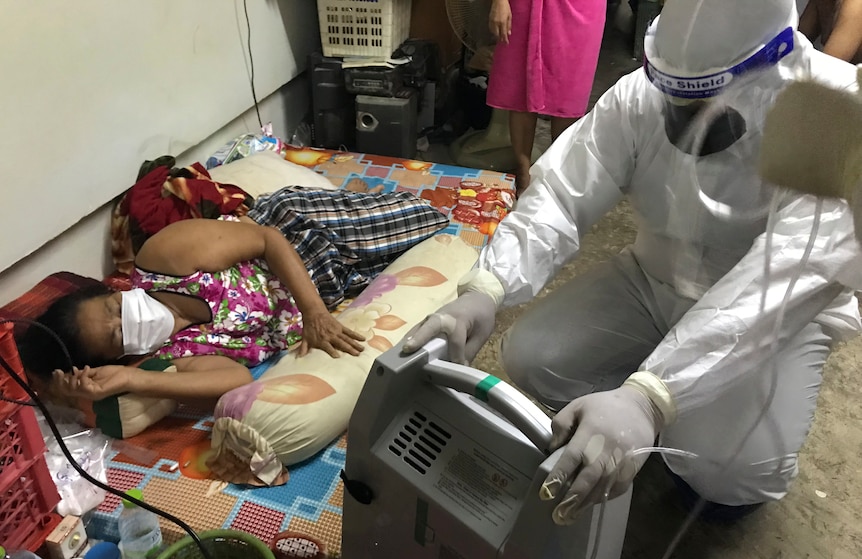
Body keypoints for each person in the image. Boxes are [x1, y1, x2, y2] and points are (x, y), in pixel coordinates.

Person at [403, 0, 862, 525]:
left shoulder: (838, 118)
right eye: (675, 101)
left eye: (703, 106)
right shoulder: (645, 92)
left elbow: (783, 277)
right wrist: (488, 285)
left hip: (774, 317)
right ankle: (646, 393)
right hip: (651, 277)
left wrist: (651, 397)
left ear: (769, 72)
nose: (681, 123)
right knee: (534, 357)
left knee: (724, 472)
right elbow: (562, 195)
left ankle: (670, 417)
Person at [19, 187, 447, 405]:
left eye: (114, 308)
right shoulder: (174, 352)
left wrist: (315, 313)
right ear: (120, 356)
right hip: (333, 282)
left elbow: (268, 239)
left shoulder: (162, 260)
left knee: (428, 216)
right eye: (117, 335)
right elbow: (237, 379)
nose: (127, 318)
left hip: (304, 237)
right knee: (426, 254)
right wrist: (133, 380)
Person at [487, 0, 606, 194]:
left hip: (582, 8)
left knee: (569, 92)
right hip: (525, 6)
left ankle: (556, 180)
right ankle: (523, 178)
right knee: (520, 89)